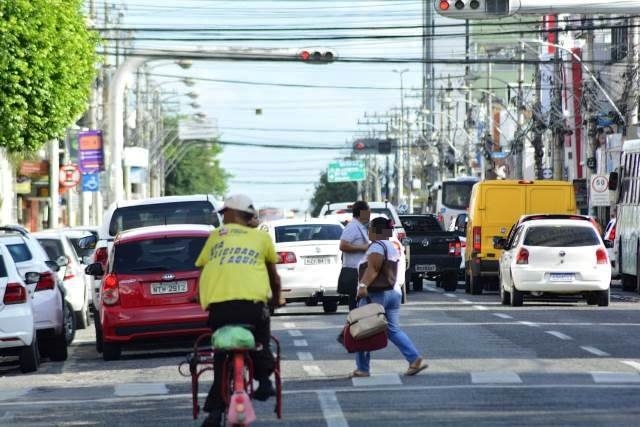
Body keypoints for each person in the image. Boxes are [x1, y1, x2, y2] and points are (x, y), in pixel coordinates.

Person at [195, 194, 281, 427]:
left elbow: (203, 271)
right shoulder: (261, 238)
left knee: (222, 355)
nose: (223, 217)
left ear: (232, 214)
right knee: (260, 338)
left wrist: (200, 297)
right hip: (252, 308)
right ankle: (264, 380)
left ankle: (214, 412)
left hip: (219, 309)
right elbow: (274, 276)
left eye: (224, 213)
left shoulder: (215, 237)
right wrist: (275, 300)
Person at [350, 216, 428, 378]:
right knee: (393, 329)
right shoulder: (392, 245)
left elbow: (373, 269)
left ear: (376, 230)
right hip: (394, 292)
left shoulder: (376, 247)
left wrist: (363, 286)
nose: (368, 232)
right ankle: (414, 359)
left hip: (376, 294)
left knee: (363, 329)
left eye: (370, 229)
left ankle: (362, 368)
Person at [337, 200, 371, 311]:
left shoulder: (361, 226)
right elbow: (343, 245)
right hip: (354, 270)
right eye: (368, 211)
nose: (370, 214)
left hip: (361, 270)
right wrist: (363, 247)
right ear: (362, 212)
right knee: (355, 304)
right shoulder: (352, 227)